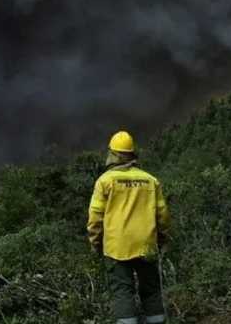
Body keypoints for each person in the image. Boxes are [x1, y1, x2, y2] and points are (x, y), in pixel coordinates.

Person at [88, 131, 171, 324]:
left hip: (117, 247)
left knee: (122, 291)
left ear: (113, 154)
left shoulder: (105, 181)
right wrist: (163, 239)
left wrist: (95, 242)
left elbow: (95, 217)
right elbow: (163, 215)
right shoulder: (150, 180)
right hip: (146, 244)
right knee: (151, 289)